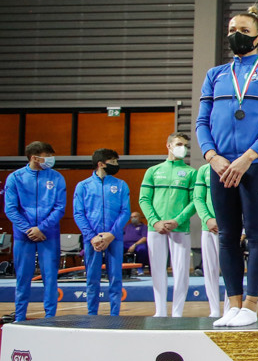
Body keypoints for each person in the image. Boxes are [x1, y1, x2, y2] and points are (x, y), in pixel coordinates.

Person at [196, 5, 258, 328]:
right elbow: (202, 122)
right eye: (232, 30)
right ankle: (233, 305)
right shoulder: (215, 75)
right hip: (221, 166)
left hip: (256, 165)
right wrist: (212, 156)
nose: (237, 35)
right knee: (227, 236)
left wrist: (248, 157)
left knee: (257, 234)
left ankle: (251, 305)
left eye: (244, 31)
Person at [4, 142, 66, 322]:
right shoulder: (15, 178)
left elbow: (60, 207)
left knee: (50, 278)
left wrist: (42, 228)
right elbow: (10, 209)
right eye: (47, 156)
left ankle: (50, 318)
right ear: (34, 158)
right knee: (23, 278)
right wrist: (28, 229)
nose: (51, 159)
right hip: (24, 236)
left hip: (49, 235)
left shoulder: (57, 177)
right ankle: (20, 318)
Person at [139, 132, 197, 318]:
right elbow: (144, 199)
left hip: (180, 228)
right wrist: (155, 221)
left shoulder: (191, 173)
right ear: (169, 146)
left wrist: (178, 220)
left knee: (181, 272)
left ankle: (177, 313)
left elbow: (195, 201)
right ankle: (160, 311)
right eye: (179, 144)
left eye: (185, 145)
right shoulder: (153, 171)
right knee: (157, 271)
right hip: (155, 229)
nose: (183, 148)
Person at [72, 148, 130, 316]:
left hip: (114, 238)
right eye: (113, 162)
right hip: (92, 240)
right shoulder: (83, 186)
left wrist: (112, 234)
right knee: (92, 278)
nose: (116, 165)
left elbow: (125, 211)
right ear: (101, 164)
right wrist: (91, 236)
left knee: (115, 277)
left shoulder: (121, 185)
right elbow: (78, 213)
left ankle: (115, 314)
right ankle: (92, 314)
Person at [192, 160, 224, 318]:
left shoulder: (235, 166)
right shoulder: (204, 170)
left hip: (230, 226)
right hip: (209, 227)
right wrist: (207, 219)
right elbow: (198, 198)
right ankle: (214, 309)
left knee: (231, 269)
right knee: (210, 269)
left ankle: (232, 307)